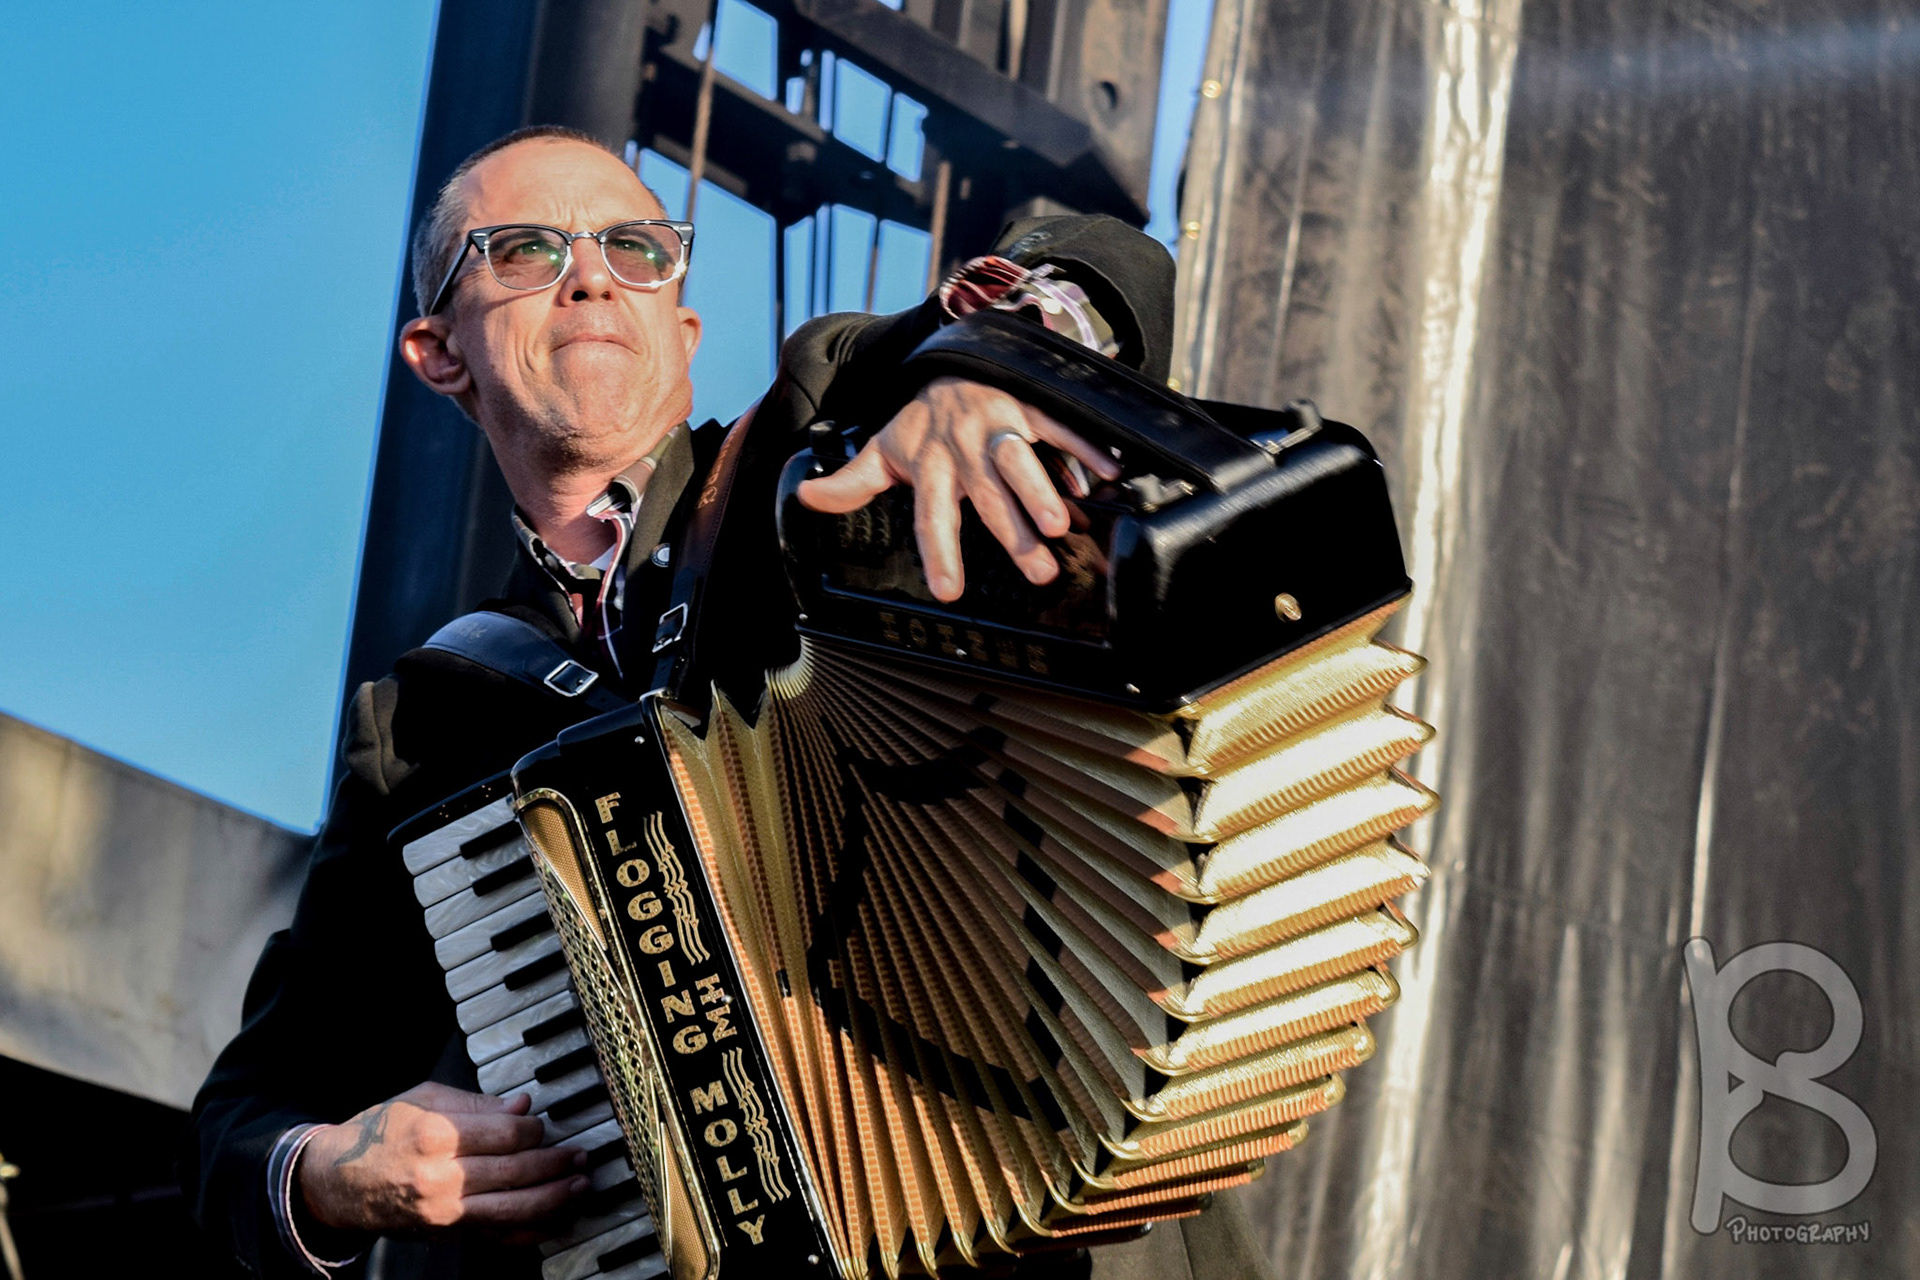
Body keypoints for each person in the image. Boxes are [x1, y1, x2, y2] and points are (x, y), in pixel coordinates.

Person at [186, 125, 1270, 1280]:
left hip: (1072, 1233)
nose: (592, 275)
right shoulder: (427, 729)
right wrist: (325, 1171)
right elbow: (242, 1122)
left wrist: (995, 358)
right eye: (526, 249)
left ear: (683, 325)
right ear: (437, 350)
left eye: (637, 248)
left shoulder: (827, 444)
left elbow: (1109, 257)